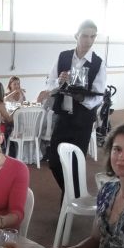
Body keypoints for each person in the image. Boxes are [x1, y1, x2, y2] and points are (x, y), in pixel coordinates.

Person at [45, 20, 107, 198]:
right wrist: (59, 81)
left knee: (74, 163)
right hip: (63, 117)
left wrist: (81, 98)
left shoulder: (98, 63)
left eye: (92, 36)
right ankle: (72, 194)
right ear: (76, 36)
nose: (89, 40)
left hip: (83, 120)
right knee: (54, 161)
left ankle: (69, 200)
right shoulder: (63, 57)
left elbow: (98, 96)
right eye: (85, 36)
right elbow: (49, 84)